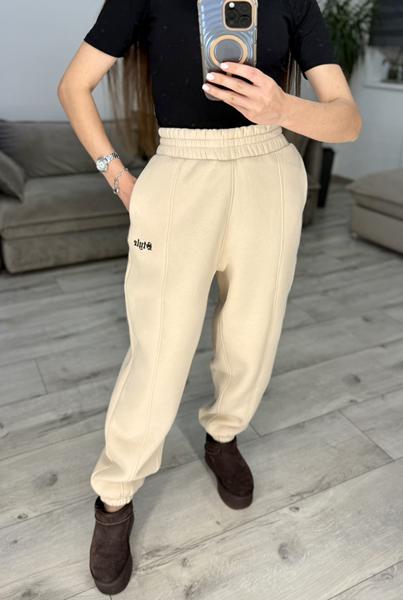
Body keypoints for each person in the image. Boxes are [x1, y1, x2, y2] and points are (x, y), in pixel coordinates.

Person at [57, 0, 361, 594]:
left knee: (253, 331)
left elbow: (346, 120)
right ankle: (115, 495)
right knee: (160, 347)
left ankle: (223, 435)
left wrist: (282, 108)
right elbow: (74, 86)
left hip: (271, 170)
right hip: (180, 174)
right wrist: (118, 175)